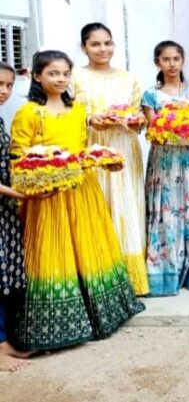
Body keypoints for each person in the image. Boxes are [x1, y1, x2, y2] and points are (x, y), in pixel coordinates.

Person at [10, 50, 143, 351]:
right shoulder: (30, 112)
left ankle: (98, 316)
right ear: (36, 76)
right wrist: (40, 180)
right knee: (54, 252)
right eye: (53, 73)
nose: (60, 79)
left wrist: (102, 160)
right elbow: (18, 157)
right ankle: (53, 328)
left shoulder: (78, 110)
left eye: (65, 74)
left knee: (89, 247)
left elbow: (82, 148)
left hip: (82, 188)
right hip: (48, 195)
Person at [71, 23, 148, 296]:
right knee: (99, 206)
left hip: (125, 148)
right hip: (94, 148)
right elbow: (67, 114)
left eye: (108, 43)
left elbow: (139, 119)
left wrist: (137, 121)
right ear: (84, 47)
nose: (103, 49)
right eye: (95, 44)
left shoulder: (129, 79)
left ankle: (132, 280)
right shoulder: (75, 77)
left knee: (128, 206)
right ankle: (100, 275)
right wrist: (92, 120)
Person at [141, 41, 189, 296]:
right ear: (157, 63)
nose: (172, 64)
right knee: (167, 210)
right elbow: (153, 133)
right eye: (166, 59)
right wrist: (171, 129)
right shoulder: (151, 96)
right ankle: (165, 270)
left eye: (176, 59)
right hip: (166, 161)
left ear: (183, 61)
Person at [0, 62, 31, 372]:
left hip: (4, 211)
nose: (4, 91)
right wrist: (22, 195)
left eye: (9, 85)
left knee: (6, 276)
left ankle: (5, 342)